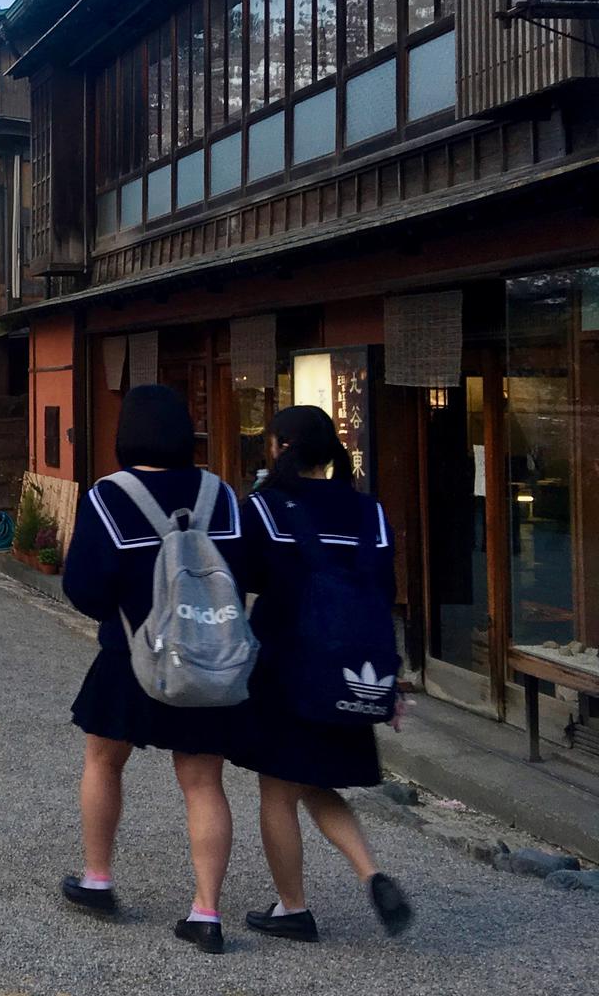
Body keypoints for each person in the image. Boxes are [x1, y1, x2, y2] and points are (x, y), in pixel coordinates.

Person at [60, 384, 247, 955]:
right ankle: (207, 912)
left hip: (130, 656)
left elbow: (82, 585)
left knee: (103, 760)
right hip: (205, 659)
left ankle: (98, 879)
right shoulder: (222, 494)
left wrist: (125, 615)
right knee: (203, 782)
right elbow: (244, 572)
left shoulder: (107, 496)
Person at [233, 405, 413, 943]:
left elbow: (239, 580)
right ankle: (371, 872)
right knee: (314, 781)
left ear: (279, 447)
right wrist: (392, 677)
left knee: (278, 791)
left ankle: (293, 908)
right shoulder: (371, 514)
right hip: (351, 671)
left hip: (285, 667)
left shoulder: (263, 509)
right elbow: (384, 595)